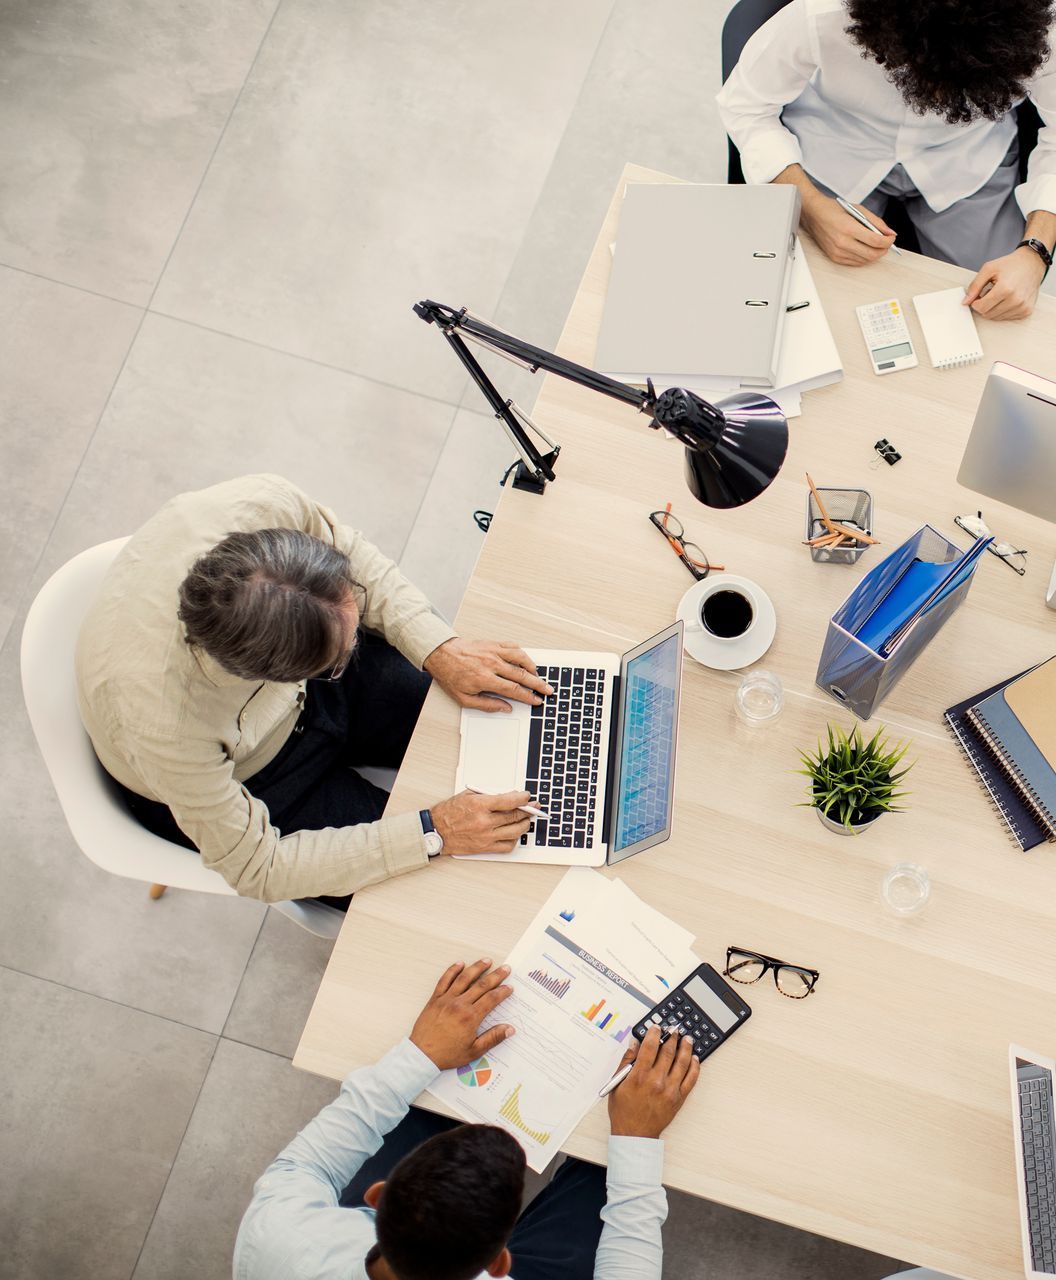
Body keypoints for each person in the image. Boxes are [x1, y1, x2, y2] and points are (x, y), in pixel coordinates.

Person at [76, 474, 552, 903]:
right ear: (270, 677)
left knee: (519, 725)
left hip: (305, 684)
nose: (361, 640)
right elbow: (259, 869)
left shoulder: (262, 505)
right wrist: (436, 831)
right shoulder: (166, 729)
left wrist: (436, 647)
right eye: (341, 654)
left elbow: (349, 550)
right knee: (456, 887)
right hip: (253, 782)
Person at [233, 957, 700, 1280]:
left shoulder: (279, 1233)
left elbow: (302, 1169)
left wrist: (420, 1053)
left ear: (379, 1194)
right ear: (499, 1263)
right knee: (605, 1172)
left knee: (432, 1091)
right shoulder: (276, 1231)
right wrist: (637, 1138)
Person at [718, 0, 1056, 320]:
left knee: (992, 308)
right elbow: (746, 106)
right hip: (833, 148)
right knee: (790, 305)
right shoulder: (826, 10)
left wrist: (1035, 253)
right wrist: (810, 207)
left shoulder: (1047, 26)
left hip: (968, 163)